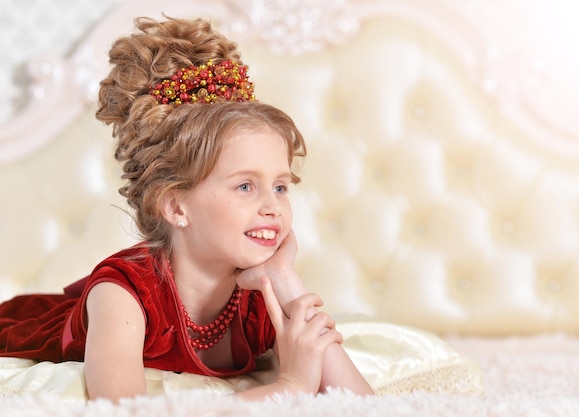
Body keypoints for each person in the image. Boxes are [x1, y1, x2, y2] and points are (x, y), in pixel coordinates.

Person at [0, 16, 374, 401]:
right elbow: (124, 411)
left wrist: (285, 280)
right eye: (245, 186)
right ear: (177, 207)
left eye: (280, 186)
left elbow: (365, 404)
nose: (273, 206)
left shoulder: (262, 292)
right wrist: (289, 386)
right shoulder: (121, 295)